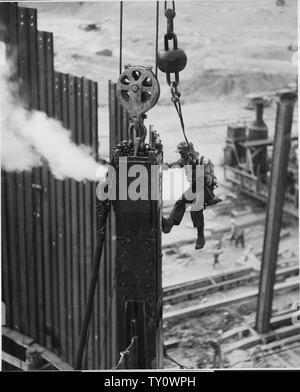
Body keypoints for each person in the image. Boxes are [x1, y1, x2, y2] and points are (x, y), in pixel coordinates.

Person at [162, 141, 221, 249]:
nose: (181, 156)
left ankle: (201, 236)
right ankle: (169, 225)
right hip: (194, 188)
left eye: (182, 153)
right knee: (181, 201)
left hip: (205, 189)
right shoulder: (185, 161)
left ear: (189, 152)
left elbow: (211, 179)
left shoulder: (203, 161)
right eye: (180, 154)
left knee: (196, 207)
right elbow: (175, 164)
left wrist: (200, 171)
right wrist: (166, 165)